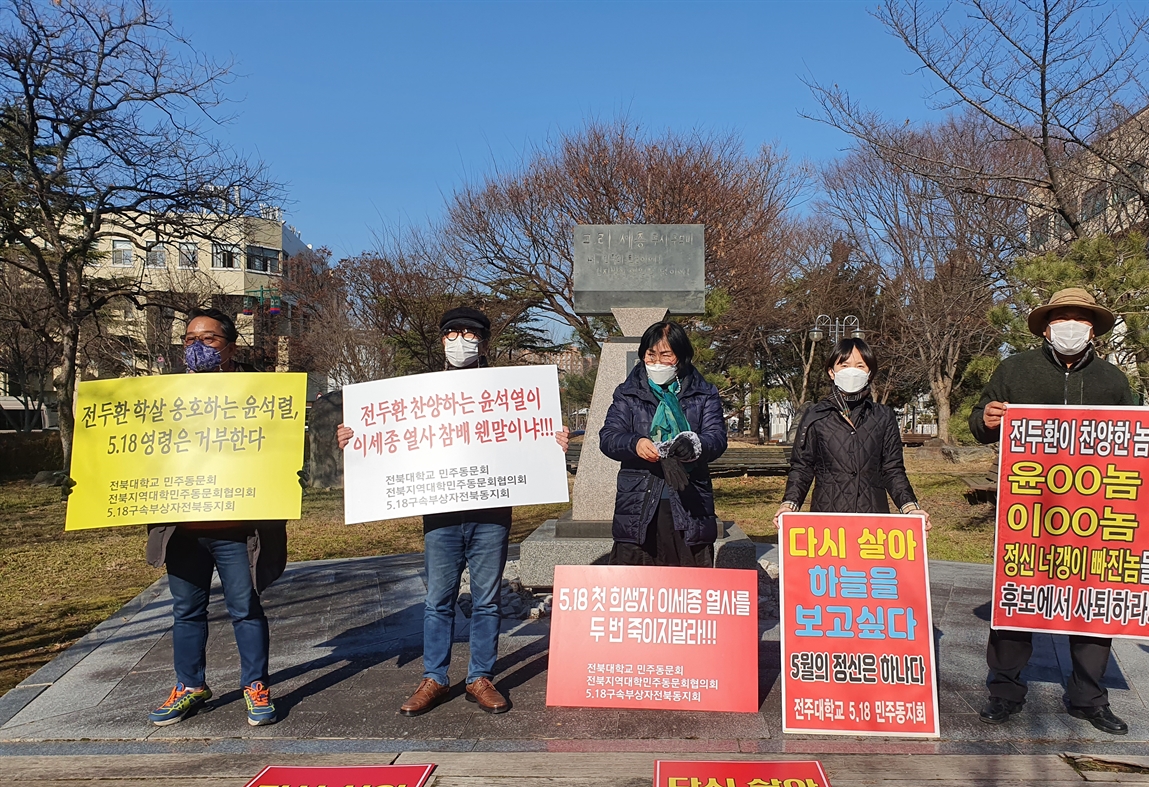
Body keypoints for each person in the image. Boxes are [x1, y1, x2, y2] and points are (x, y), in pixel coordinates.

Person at [969, 287, 1149, 736]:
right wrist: (986, 418)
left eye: (1080, 320)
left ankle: (1089, 696)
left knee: (1095, 599)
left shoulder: (1113, 380)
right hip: (1030, 511)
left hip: (1098, 513)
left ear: (1093, 329)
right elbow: (980, 421)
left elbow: (1139, 439)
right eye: (1061, 319)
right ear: (1046, 327)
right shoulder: (1015, 369)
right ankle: (1005, 690)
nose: (1070, 327)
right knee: (1019, 595)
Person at [337, 307, 569, 717]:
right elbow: (388, 443)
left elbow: (527, 439)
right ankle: (435, 678)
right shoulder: (416, 396)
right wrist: (355, 438)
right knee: (438, 599)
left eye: (470, 333)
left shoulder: (509, 392)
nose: (461, 340)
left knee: (486, 600)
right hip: (441, 513)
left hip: (491, 512)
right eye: (452, 333)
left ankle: (480, 677)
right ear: (442, 340)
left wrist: (552, 443)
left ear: (484, 342)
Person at [147, 308, 287, 727]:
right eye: (190, 339)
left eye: (208, 339)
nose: (197, 347)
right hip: (183, 530)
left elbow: (282, 449)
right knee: (186, 610)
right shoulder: (162, 396)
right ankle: (190, 687)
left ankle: (255, 685)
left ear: (230, 345)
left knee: (245, 608)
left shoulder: (259, 393)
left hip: (237, 530)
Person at [599, 319, 727, 567]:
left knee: (688, 584)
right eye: (650, 355)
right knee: (636, 586)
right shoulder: (628, 393)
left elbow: (717, 437)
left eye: (666, 355)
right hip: (638, 503)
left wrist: (694, 445)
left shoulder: (704, 393)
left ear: (681, 356)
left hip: (689, 502)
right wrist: (634, 443)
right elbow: (609, 436)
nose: (657, 362)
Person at [774, 337, 930, 531]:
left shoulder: (883, 416)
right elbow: (803, 466)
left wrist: (910, 508)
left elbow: (892, 469)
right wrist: (789, 504)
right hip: (827, 516)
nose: (852, 371)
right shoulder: (815, 415)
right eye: (844, 365)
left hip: (873, 517)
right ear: (832, 372)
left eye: (860, 366)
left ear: (869, 373)